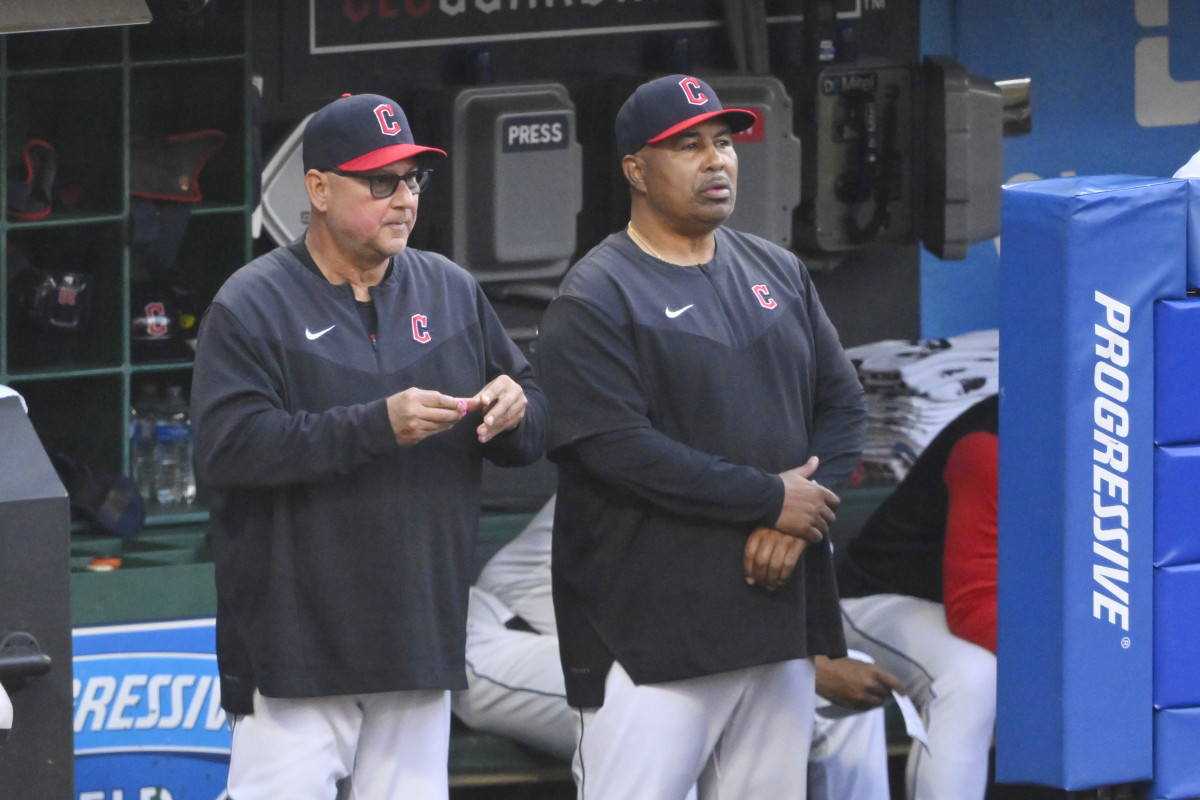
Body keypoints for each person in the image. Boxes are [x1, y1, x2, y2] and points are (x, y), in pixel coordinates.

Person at [190, 92, 548, 800]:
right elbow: (227, 450)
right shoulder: (253, 302)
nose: (403, 199)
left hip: (417, 633)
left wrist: (520, 408)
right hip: (298, 649)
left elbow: (534, 428)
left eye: (411, 179)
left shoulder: (450, 290)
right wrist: (374, 426)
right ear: (317, 188)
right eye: (379, 181)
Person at [536, 74, 868, 799]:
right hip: (649, 633)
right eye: (687, 146)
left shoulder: (777, 269)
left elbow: (844, 408)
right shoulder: (596, 295)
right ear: (635, 170)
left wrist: (798, 518)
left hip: (774, 624)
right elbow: (620, 449)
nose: (716, 160)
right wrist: (767, 500)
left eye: (724, 142)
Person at [451, 494, 899, 800]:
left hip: (644, 648)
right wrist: (809, 666)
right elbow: (656, 617)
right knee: (665, 706)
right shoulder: (648, 456)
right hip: (501, 636)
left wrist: (808, 663)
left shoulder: (788, 473)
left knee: (842, 673)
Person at [836, 392, 999, 800]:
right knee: (970, 676)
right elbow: (973, 608)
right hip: (872, 598)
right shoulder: (993, 439)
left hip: (968, 605)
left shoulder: (1126, 443)